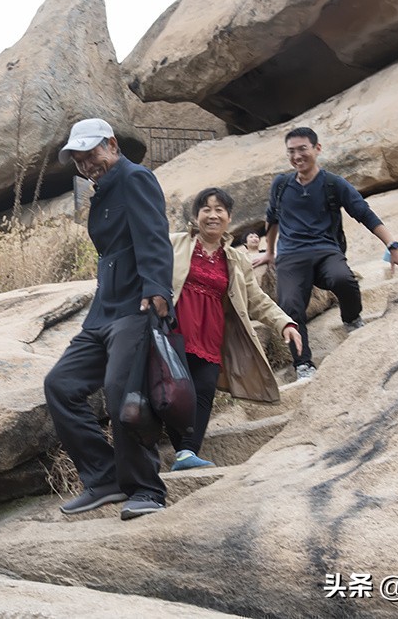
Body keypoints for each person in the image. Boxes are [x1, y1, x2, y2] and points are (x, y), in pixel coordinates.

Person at [44, 118, 174, 520]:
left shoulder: (136, 178)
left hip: (136, 306)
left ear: (112, 145)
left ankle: (147, 489)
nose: (87, 165)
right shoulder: (101, 191)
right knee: (61, 385)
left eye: (91, 155)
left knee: (121, 392)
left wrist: (157, 290)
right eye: (79, 161)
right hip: (103, 311)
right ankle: (104, 479)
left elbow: (154, 235)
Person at [254, 127, 398, 381]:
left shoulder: (333, 183)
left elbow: (365, 214)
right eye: (291, 151)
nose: (297, 156)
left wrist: (393, 247)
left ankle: (351, 319)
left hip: (326, 251)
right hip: (291, 257)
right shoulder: (281, 184)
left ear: (317, 149)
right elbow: (272, 219)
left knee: (344, 279)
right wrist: (270, 251)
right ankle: (303, 364)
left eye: (302, 149)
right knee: (290, 306)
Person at [167, 188, 303, 469]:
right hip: (175, 330)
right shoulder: (174, 244)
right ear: (196, 216)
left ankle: (186, 453)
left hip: (210, 334)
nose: (213, 215)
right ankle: (172, 447)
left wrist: (284, 323)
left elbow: (256, 299)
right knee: (176, 390)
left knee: (203, 390)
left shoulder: (237, 259)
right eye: (206, 209)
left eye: (220, 210)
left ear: (229, 218)